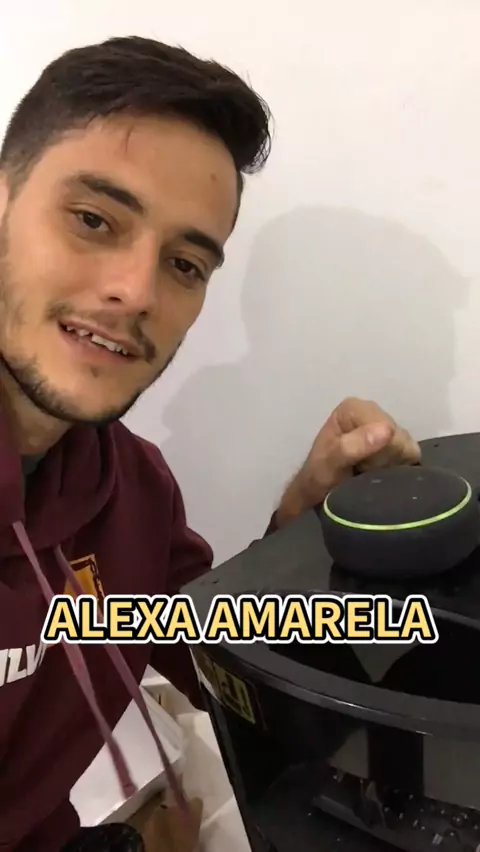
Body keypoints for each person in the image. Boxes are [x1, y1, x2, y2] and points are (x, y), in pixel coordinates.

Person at [0, 35, 420, 850]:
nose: (136, 291)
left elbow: (220, 667)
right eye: (93, 220)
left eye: (186, 264)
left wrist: (304, 527)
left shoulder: (132, 488)